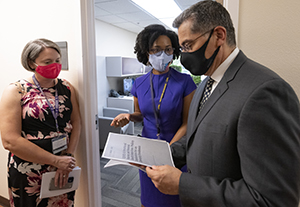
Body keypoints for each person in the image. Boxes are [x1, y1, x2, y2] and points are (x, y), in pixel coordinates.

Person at [145, 1, 300, 207]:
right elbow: (198, 137)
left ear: (219, 35)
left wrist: (183, 184)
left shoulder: (265, 92)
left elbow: (272, 200)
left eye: (189, 45)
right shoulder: (205, 83)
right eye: (182, 48)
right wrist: (162, 154)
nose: (184, 56)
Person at [111, 24, 197, 207]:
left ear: (174, 51)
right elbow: (141, 115)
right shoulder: (139, 83)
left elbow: (188, 123)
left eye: (167, 50)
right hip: (147, 152)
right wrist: (129, 116)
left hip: (176, 151)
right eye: (156, 50)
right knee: (149, 200)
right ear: (146, 53)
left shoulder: (185, 82)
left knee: (175, 200)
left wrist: (169, 151)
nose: (162, 55)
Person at [0, 38, 81, 207]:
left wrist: (67, 157)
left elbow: (76, 122)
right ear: (31, 63)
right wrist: (55, 160)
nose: (55, 65)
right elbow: (9, 140)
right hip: (28, 169)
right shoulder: (16, 90)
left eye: (57, 60)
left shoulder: (66, 87)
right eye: (47, 61)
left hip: (63, 167)